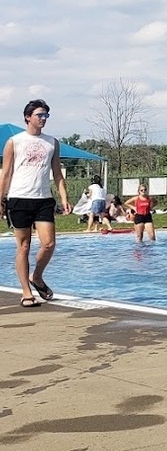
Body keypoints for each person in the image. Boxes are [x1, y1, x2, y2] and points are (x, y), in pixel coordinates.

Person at [0, 100, 71, 308]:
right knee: (23, 246)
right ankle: (26, 292)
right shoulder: (15, 141)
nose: (43, 119)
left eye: (46, 116)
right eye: (39, 115)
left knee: (48, 244)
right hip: (19, 198)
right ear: (28, 117)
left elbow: (57, 173)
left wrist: (64, 197)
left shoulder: (52, 142)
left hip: (44, 199)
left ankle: (37, 276)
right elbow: (6, 173)